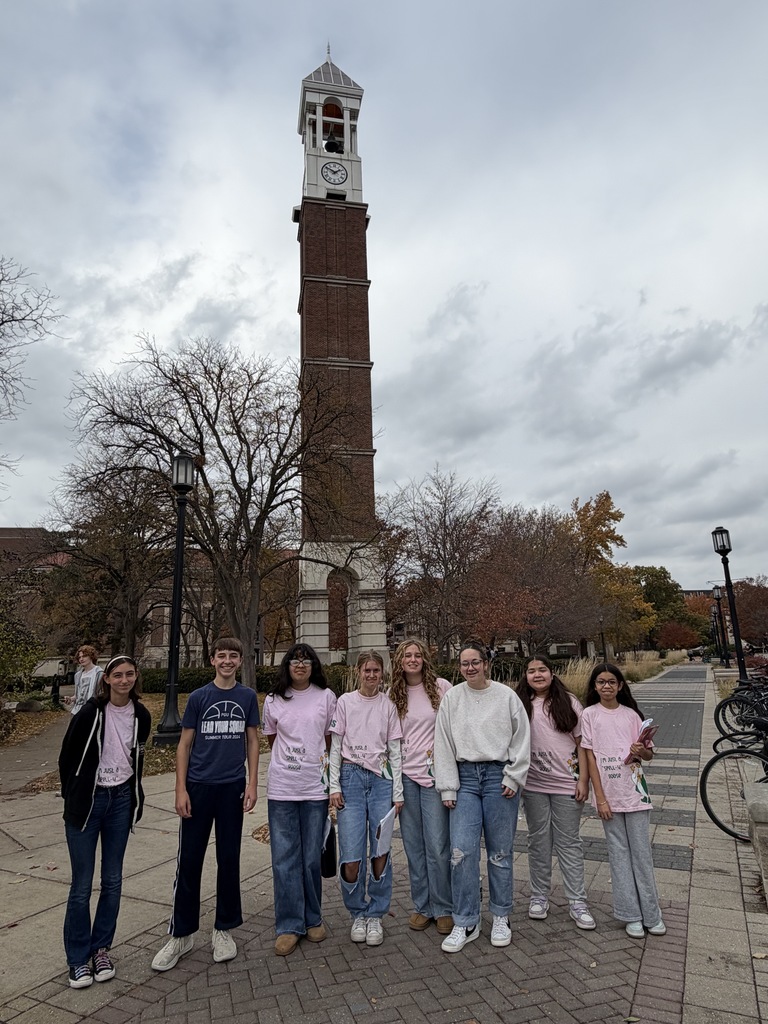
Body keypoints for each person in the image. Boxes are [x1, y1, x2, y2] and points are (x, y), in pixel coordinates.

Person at [152, 637, 260, 971]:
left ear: (240, 661)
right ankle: (181, 934)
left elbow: (253, 740)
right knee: (189, 862)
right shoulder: (199, 697)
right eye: (221, 656)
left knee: (229, 859)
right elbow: (184, 745)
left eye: (233, 656)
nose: (227, 661)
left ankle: (224, 929)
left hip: (231, 788)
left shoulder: (246, 697)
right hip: (198, 787)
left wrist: (252, 782)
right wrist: (179, 789)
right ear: (212, 660)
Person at [58, 655, 151, 988]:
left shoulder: (141, 714)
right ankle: (78, 958)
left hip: (121, 801)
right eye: (117, 675)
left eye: (129, 675)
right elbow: (67, 757)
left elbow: (136, 755)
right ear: (107, 679)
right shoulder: (90, 713)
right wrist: (74, 795)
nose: (124, 680)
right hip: (89, 802)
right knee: (82, 885)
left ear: (135, 678)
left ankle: (100, 949)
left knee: (112, 880)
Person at [434, 641, 530, 954]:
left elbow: (521, 737)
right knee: (461, 851)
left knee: (500, 852)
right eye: (464, 664)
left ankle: (501, 916)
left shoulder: (506, 696)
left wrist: (514, 777)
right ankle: (466, 920)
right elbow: (443, 743)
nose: (470, 668)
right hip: (464, 779)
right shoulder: (453, 698)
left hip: (498, 777)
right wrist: (447, 785)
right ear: (459, 667)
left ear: (485, 663)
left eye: (475, 662)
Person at [580, 663, 665, 939]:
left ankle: (652, 914)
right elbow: (589, 756)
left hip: (635, 792)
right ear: (594, 686)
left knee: (641, 854)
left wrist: (641, 750)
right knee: (619, 855)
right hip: (609, 794)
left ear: (620, 686)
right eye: (601, 682)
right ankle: (631, 914)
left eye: (612, 682)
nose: (606, 686)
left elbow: (649, 755)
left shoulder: (632, 715)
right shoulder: (589, 715)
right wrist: (600, 798)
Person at [262, 643, 337, 956]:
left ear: (314, 666)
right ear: (287, 665)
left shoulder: (326, 697)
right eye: (295, 660)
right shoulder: (273, 700)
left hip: (314, 789)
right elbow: (271, 738)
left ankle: (312, 918)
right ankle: (289, 925)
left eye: (306, 660)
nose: (301, 665)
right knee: (284, 859)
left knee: (309, 857)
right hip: (282, 787)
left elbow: (330, 740)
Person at [329, 650, 403, 947]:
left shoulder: (388, 706)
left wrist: (398, 791)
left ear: (381, 673)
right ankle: (357, 910)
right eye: (366, 670)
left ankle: (376, 914)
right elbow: (335, 747)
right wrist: (333, 786)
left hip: (381, 781)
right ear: (358, 671)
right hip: (351, 778)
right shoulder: (345, 702)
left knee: (380, 851)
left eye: (376, 671)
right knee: (351, 855)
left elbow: (395, 751)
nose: (371, 675)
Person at [516, 657, 595, 930]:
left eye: (542, 670)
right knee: (538, 842)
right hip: (533, 786)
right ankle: (539, 896)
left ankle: (577, 901)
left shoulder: (569, 702)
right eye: (531, 671)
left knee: (568, 842)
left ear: (551, 673)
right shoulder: (519, 703)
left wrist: (584, 780)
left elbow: (583, 744)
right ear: (525, 676)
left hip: (566, 785)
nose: (537, 675)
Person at [388, 638, 453, 935]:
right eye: (407, 655)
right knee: (413, 846)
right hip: (405, 778)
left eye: (417, 655)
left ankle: (442, 907)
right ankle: (422, 906)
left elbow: (454, 728)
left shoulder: (442, 688)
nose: (412, 659)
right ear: (399, 660)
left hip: (434, 778)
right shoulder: (392, 694)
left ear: (425, 659)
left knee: (437, 846)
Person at [68, 646, 103, 716]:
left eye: (84, 656)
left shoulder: (99, 673)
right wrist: (71, 699)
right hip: (77, 711)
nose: (81, 659)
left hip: (91, 711)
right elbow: (78, 695)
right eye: (79, 657)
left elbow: (101, 694)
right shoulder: (78, 675)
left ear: (91, 656)